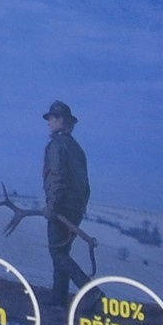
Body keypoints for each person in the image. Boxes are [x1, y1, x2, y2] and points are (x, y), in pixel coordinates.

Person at [41, 100, 91, 307]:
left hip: (61, 208)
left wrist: (52, 206)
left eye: (52, 118)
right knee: (61, 254)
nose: (49, 122)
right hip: (75, 209)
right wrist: (79, 207)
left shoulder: (57, 146)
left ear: (61, 120)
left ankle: (91, 292)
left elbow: (57, 177)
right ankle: (59, 301)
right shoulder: (77, 149)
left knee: (57, 253)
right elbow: (85, 184)